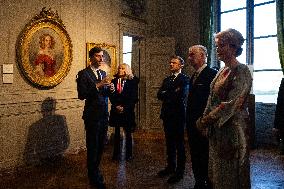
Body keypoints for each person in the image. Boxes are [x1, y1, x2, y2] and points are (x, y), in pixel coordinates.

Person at [196, 28, 252, 189]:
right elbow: (211, 98)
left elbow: (232, 104)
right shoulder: (222, 70)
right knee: (218, 172)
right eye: (217, 46)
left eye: (222, 45)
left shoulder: (241, 70)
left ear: (233, 48)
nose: (218, 49)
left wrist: (205, 121)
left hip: (232, 130)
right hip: (218, 129)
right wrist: (205, 117)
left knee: (229, 174)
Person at [76, 47, 114, 189]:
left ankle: (95, 169)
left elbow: (104, 94)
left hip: (104, 114)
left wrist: (110, 89)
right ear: (91, 57)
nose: (101, 59)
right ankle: (93, 175)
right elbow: (81, 95)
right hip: (92, 116)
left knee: (101, 145)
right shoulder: (83, 74)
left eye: (102, 57)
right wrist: (98, 85)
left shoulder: (103, 72)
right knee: (92, 146)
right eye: (98, 56)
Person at [186, 45, 217, 189]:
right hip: (192, 123)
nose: (189, 58)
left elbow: (213, 102)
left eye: (192, 55)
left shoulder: (212, 74)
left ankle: (207, 181)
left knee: (205, 154)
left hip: (204, 123)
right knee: (195, 153)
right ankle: (199, 181)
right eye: (189, 55)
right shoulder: (193, 75)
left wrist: (205, 122)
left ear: (203, 56)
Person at [157, 55, 190, 184]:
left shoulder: (185, 79)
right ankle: (170, 167)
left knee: (179, 144)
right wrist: (170, 92)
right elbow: (159, 94)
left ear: (181, 65)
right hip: (167, 115)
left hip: (178, 115)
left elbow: (180, 95)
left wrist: (167, 93)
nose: (171, 65)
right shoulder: (167, 79)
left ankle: (180, 171)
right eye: (170, 63)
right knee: (169, 143)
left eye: (174, 63)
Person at [109, 63, 139, 161]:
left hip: (128, 111)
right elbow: (111, 95)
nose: (120, 70)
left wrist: (124, 108)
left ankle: (129, 155)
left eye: (122, 68)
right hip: (116, 110)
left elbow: (134, 98)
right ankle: (116, 155)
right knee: (117, 134)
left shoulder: (132, 81)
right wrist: (116, 106)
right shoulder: (113, 81)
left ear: (127, 70)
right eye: (119, 68)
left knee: (128, 133)